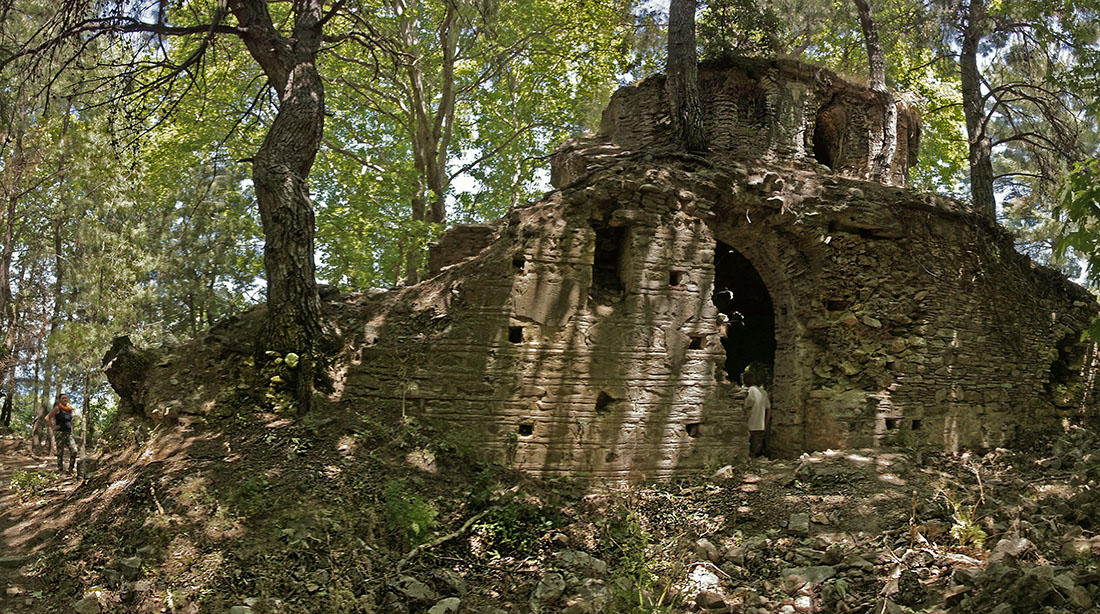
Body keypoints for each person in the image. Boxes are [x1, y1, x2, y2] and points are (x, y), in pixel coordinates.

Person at [46, 393, 78, 473]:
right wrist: (53, 427)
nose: (65, 399)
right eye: (63, 398)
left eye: (66, 398)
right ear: (60, 400)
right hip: (60, 433)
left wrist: (71, 429)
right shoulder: (57, 408)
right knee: (60, 452)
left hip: (69, 433)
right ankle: (60, 470)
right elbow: (47, 418)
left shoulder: (69, 409)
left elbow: (69, 421)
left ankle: (70, 468)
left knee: (74, 450)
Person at [743, 373, 771, 459]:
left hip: (747, 426)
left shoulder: (745, 392)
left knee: (745, 451)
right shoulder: (763, 392)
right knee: (754, 452)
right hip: (759, 426)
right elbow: (769, 410)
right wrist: (765, 424)